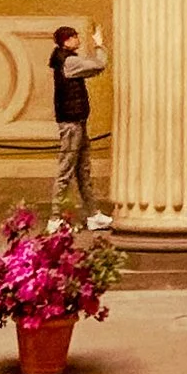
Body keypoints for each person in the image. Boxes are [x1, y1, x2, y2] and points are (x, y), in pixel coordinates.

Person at [48, 22, 110, 225]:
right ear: (66, 41)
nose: (78, 39)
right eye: (74, 36)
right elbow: (98, 65)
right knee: (66, 170)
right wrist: (99, 45)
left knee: (83, 170)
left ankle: (93, 214)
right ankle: (55, 218)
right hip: (71, 123)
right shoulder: (69, 62)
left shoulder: (66, 60)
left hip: (77, 120)